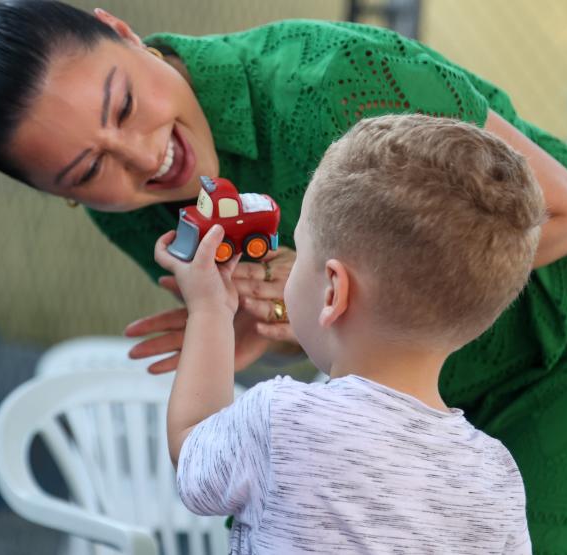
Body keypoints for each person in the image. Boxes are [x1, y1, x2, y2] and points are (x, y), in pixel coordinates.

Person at [0, 1, 567, 551]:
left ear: (119, 29)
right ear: (61, 196)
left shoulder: (330, 79)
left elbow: (566, 217)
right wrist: (254, 334)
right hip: (444, 391)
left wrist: (341, 303)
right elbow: (317, 337)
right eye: (88, 170)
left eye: (122, 106)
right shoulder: (128, 210)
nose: (143, 159)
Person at [154, 113, 537, 554]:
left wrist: (210, 308)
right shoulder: (496, 476)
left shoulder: (280, 420)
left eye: (300, 252)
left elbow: (191, 449)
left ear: (334, 290)